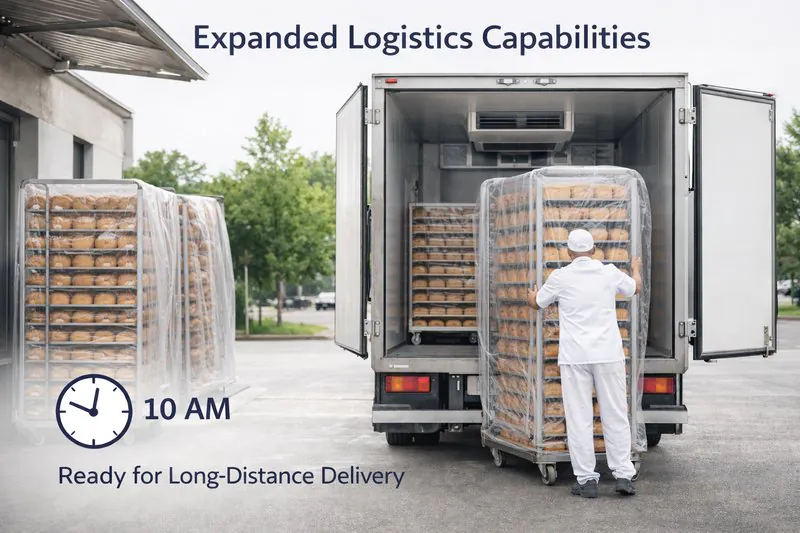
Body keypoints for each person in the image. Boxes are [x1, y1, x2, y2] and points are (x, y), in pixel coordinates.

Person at [527, 228, 643, 498]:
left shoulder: (560, 276)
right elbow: (635, 288)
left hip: (575, 357)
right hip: (608, 355)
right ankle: (623, 474)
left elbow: (538, 303)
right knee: (614, 413)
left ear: (568, 253)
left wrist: (531, 296)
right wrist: (636, 268)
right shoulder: (609, 271)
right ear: (593, 251)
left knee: (579, 417)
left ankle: (587, 480)